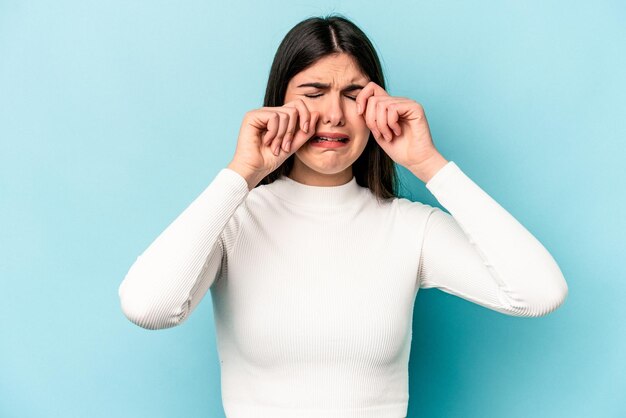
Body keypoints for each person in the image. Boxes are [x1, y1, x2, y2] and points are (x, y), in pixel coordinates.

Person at [118, 14, 568, 418]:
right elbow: (148, 306)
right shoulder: (234, 222)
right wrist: (241, 175)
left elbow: (539, 293)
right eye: (313, 93)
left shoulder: (410, 228)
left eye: (354, 95)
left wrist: (429, 163)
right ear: (279, 102)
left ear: (376, 109)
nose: (333, 114)